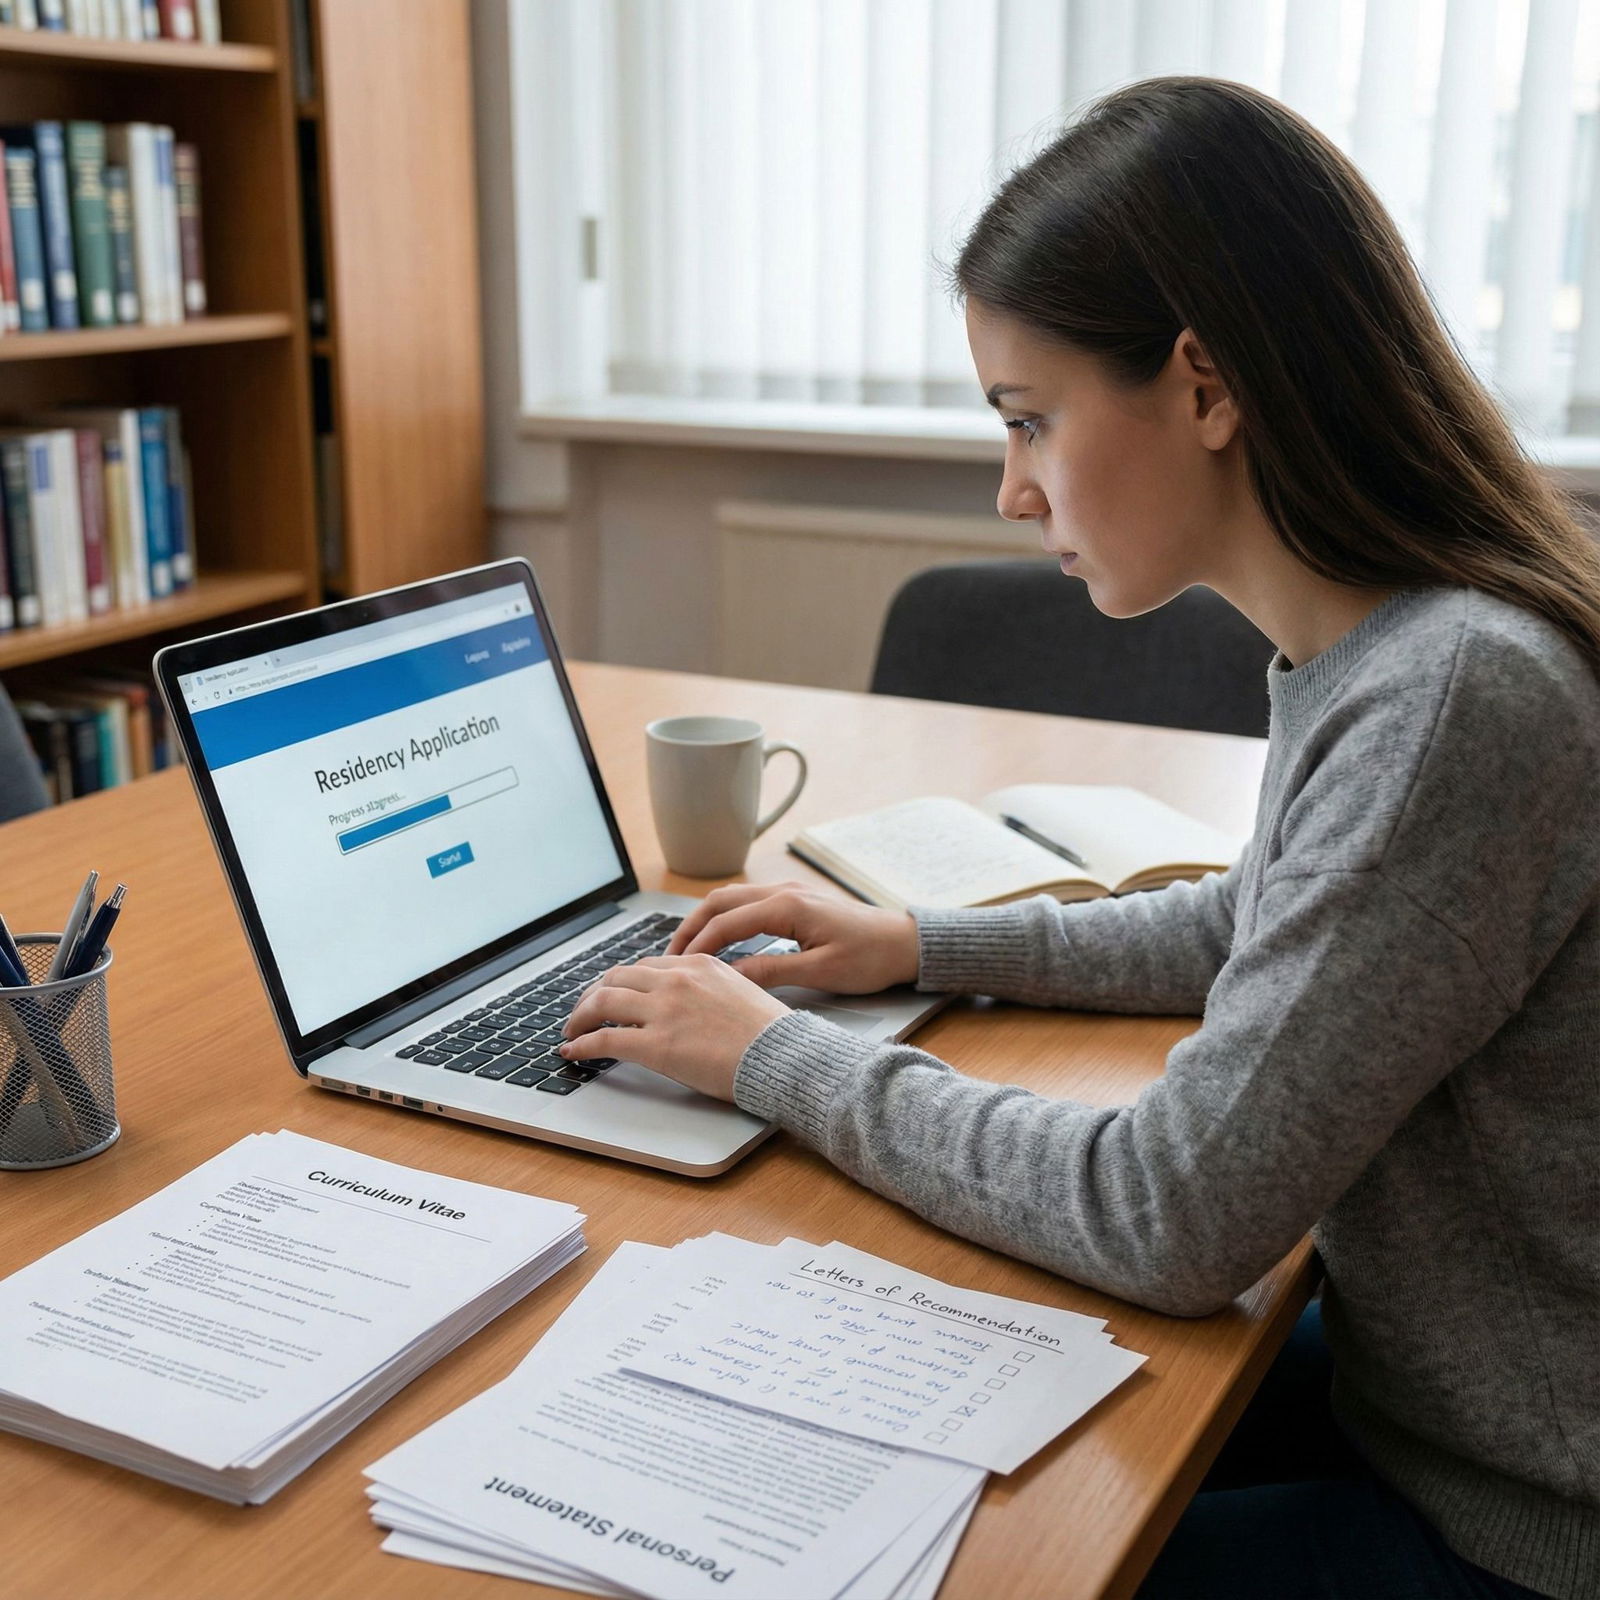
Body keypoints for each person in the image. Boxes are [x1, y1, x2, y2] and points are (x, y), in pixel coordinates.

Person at [557, 77, 1599, 1600]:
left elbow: (1170, 1215)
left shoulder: (1453, 698)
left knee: (943, 1557)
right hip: (1433, 1394)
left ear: (1205, 385)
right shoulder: (1396, 649)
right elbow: (1259, 925)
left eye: (1030, 417)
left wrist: (772, 1060)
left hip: (1515, 1512)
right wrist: (918, 946)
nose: (1012, 485)